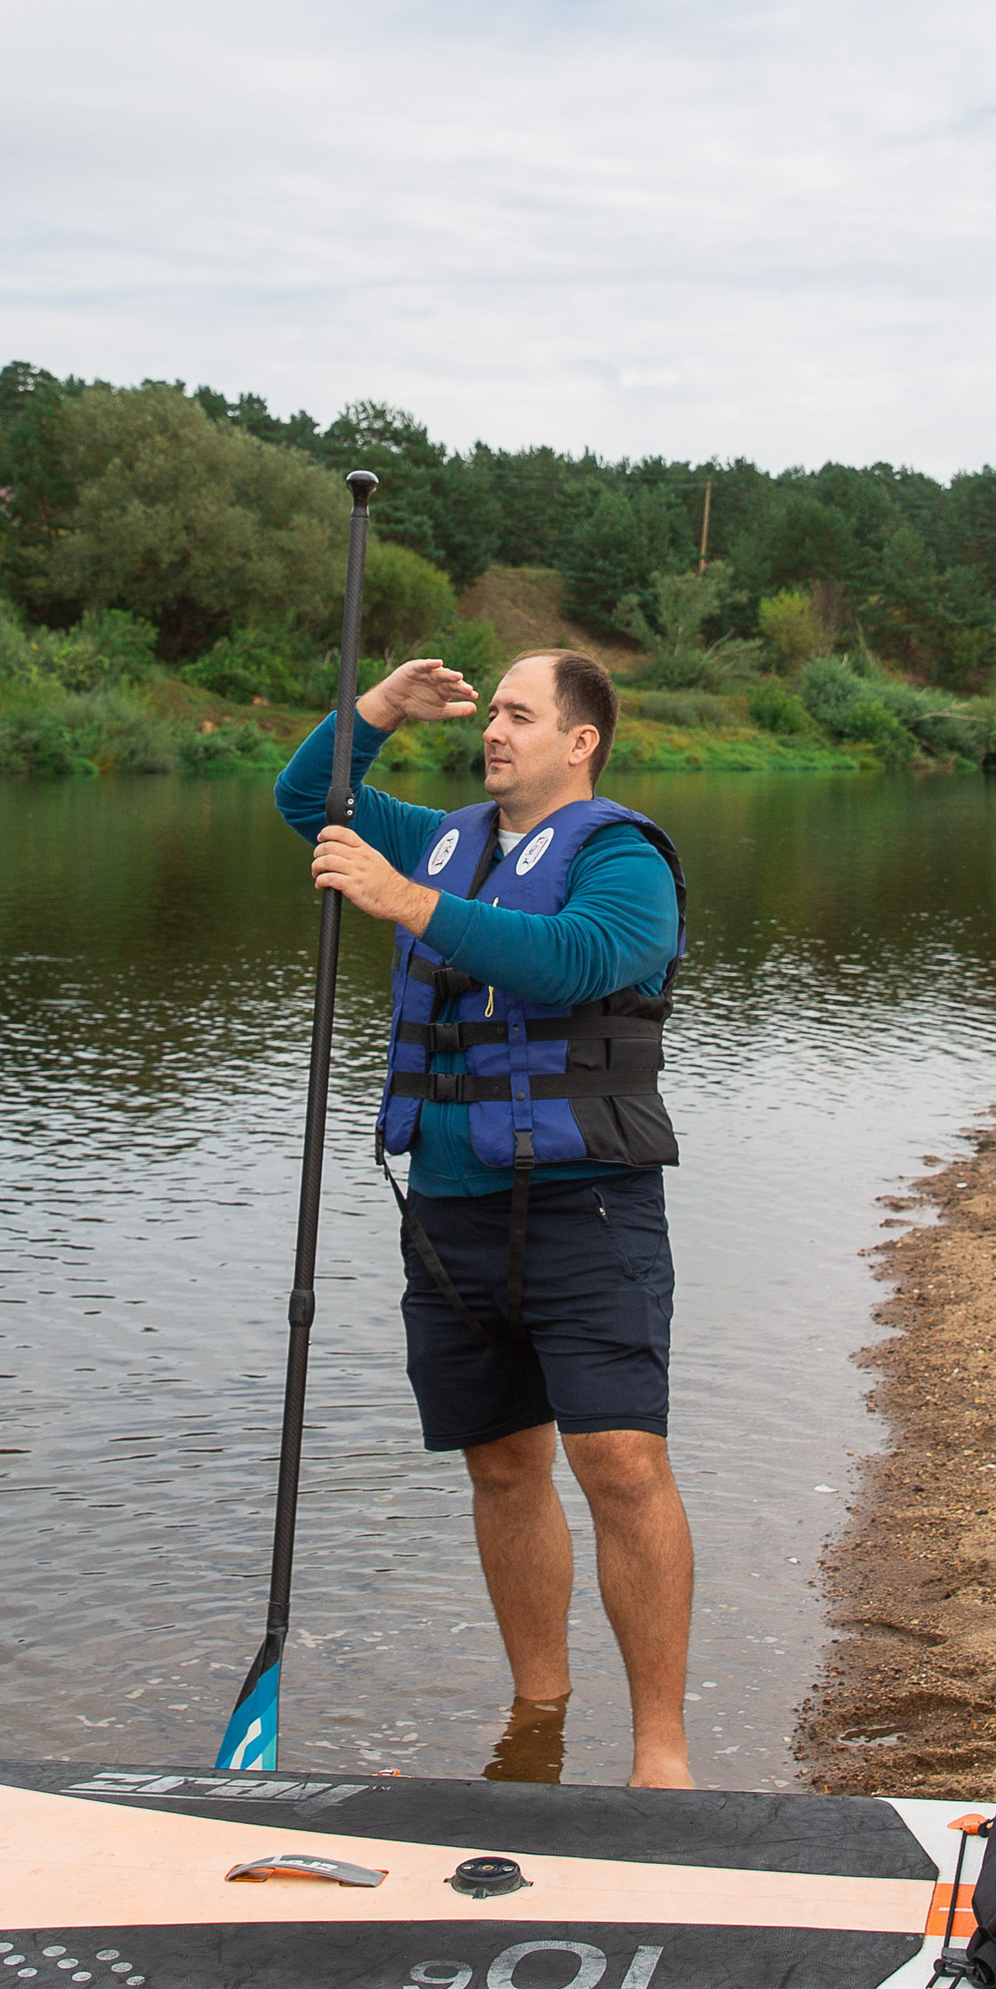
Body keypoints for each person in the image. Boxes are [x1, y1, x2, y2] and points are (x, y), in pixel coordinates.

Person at [274, 648, 695, 1789]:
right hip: (452, 1206)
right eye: (490, 713)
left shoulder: (620, 853)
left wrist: (406, 902)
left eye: (521, 714)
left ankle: (659, 1747)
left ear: (581, 740)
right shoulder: (450, 836)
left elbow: (585, 957)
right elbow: (304, 799)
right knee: (504, 1464)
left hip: (585, 1200)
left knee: (617, 1458)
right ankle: (537, 1715)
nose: (494, 731)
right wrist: (375, 709)